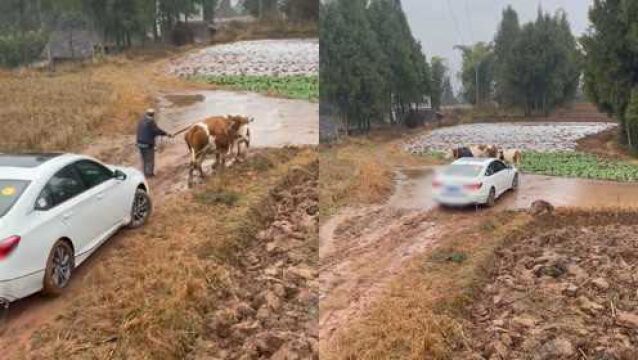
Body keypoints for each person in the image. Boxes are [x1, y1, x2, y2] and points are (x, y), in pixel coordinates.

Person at [136, 108, 172, 177]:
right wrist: (167, 134)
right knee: (150, 160)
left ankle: (145, 173)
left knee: (144, 159)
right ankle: (149, 175)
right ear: (153, 115)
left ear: (146, 114)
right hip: (148, 144)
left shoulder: (141, 120)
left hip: (139, 143)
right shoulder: (151, 122)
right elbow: (157, 131)